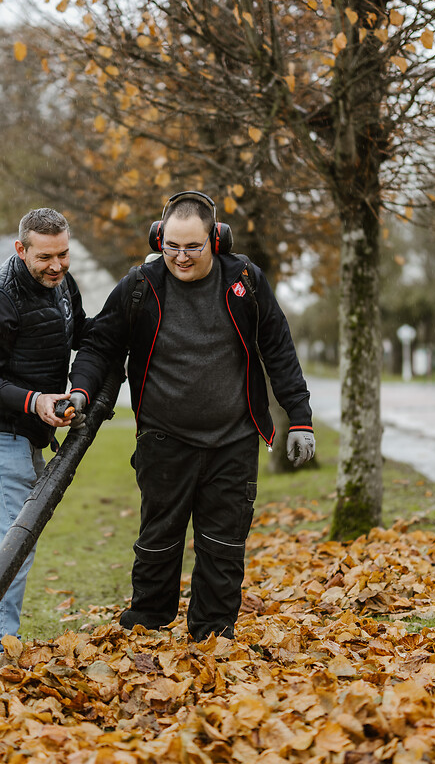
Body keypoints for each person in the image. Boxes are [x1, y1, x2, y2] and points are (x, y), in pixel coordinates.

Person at [67, 190, 314, 641]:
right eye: (172, 246)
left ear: (215, 240)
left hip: (234, 440)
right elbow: (100, 344)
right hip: (165, 439)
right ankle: (147, 627)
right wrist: (80, 391)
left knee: (223, 546)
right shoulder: (141, 285)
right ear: (159, 239)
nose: (181, 257)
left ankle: (213, 634)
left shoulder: (245, 281)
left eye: (193, 247)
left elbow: (278, 349)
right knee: (158, 542)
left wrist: (300, 417)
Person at [0, 208, 86, 657]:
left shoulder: (63, 285)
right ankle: (0, 654)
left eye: (64, 254)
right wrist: (36, 400)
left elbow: (82, 335)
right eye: (45, 256)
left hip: (27, 429)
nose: (56, 265)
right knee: (17, 539)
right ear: (21, 249)